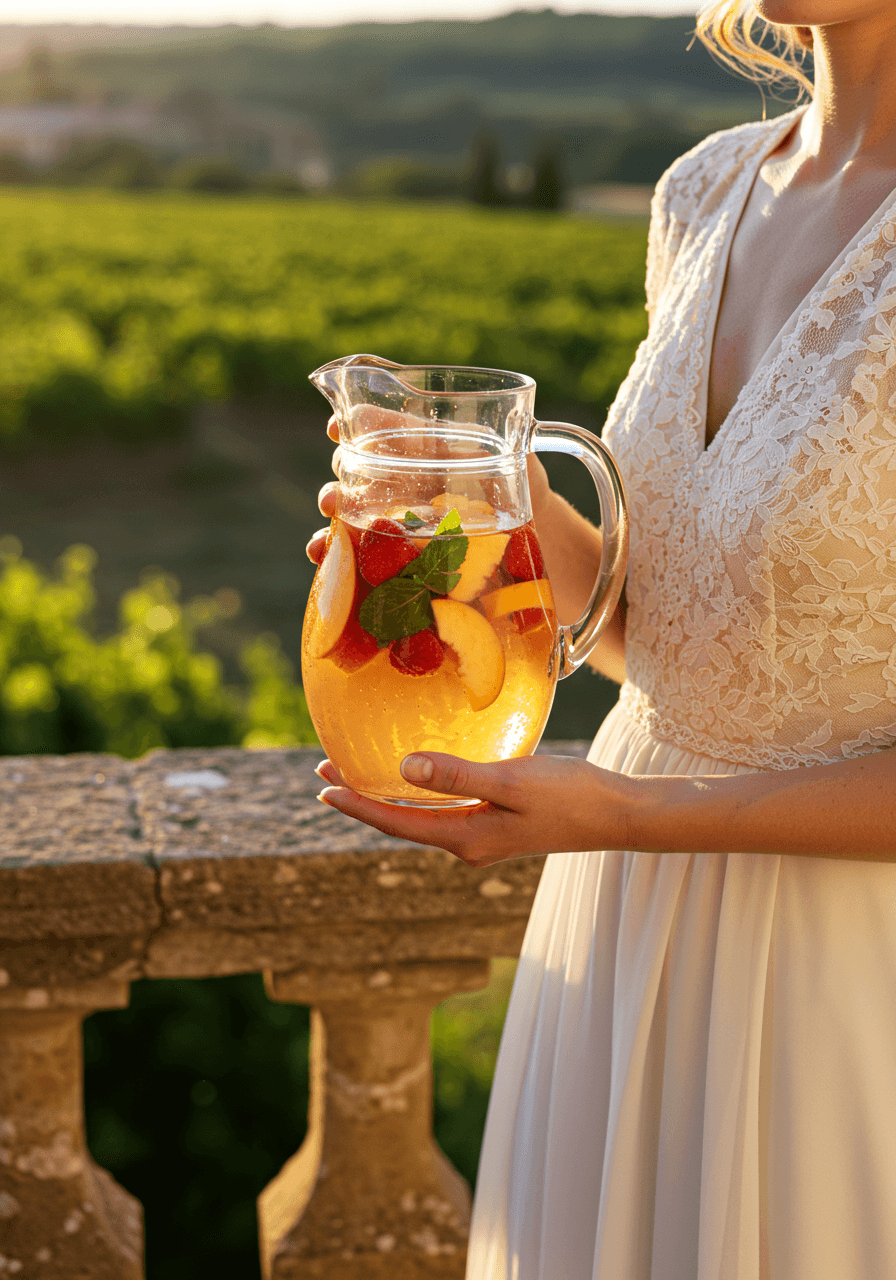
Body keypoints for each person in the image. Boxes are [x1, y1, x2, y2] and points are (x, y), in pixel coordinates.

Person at [307, 1, 896, 1275]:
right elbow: (662, 631)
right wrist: (479, 498)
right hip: (628, 907)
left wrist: (633, 812)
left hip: (849, 962)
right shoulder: (702, 188)